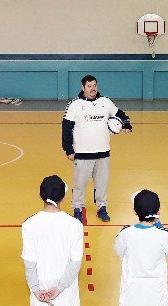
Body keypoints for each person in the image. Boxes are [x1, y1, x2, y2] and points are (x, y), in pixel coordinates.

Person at [19, 175, 85, 306]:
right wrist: (60, 288)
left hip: (40, 287)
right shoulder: (74, 224)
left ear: (42, 196)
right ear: (63, 196)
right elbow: (75, 262)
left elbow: (29, 261)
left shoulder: (29, 224)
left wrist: (37, 289)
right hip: (64, 289)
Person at [61, 74, 132, 224]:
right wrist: (68, 150)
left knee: (102, 183)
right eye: (89, 86)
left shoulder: (105, 102)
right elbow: (66, 128)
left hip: (103, 152)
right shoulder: (74, 105)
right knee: (79, 183)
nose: (92, 89)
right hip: (82, 153)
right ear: (83, 87)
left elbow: (120, 114)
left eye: (94, 85)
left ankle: (102, 208)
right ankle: (78, 208)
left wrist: (126, 125)